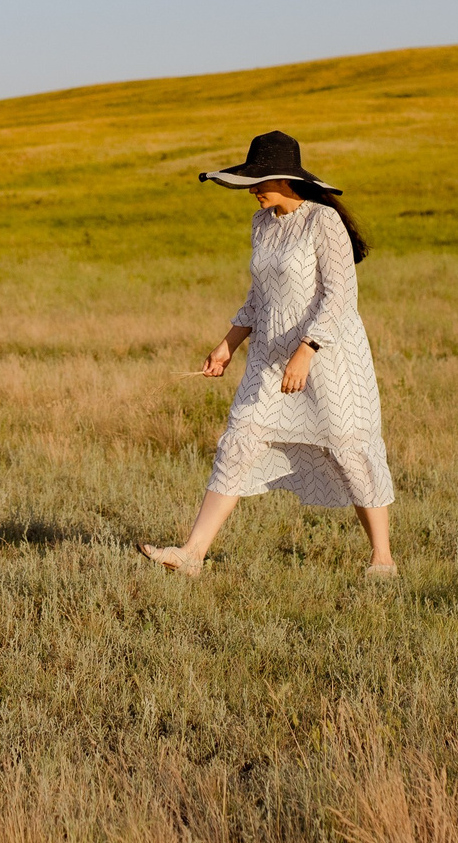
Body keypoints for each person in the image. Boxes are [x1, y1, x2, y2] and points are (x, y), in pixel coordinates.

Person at [140, 130, 398, 579]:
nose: (252, 190)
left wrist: (307, 351)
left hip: (328, 354)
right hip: (269, 353)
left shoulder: (323, 221)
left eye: (258, 181)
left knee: (348, 446)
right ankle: (192, 555)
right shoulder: (261, 224)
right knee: (240, 440)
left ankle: (382, 559)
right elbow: (258, 297)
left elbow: (340, 295)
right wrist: (228, 344)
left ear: (284, 179)